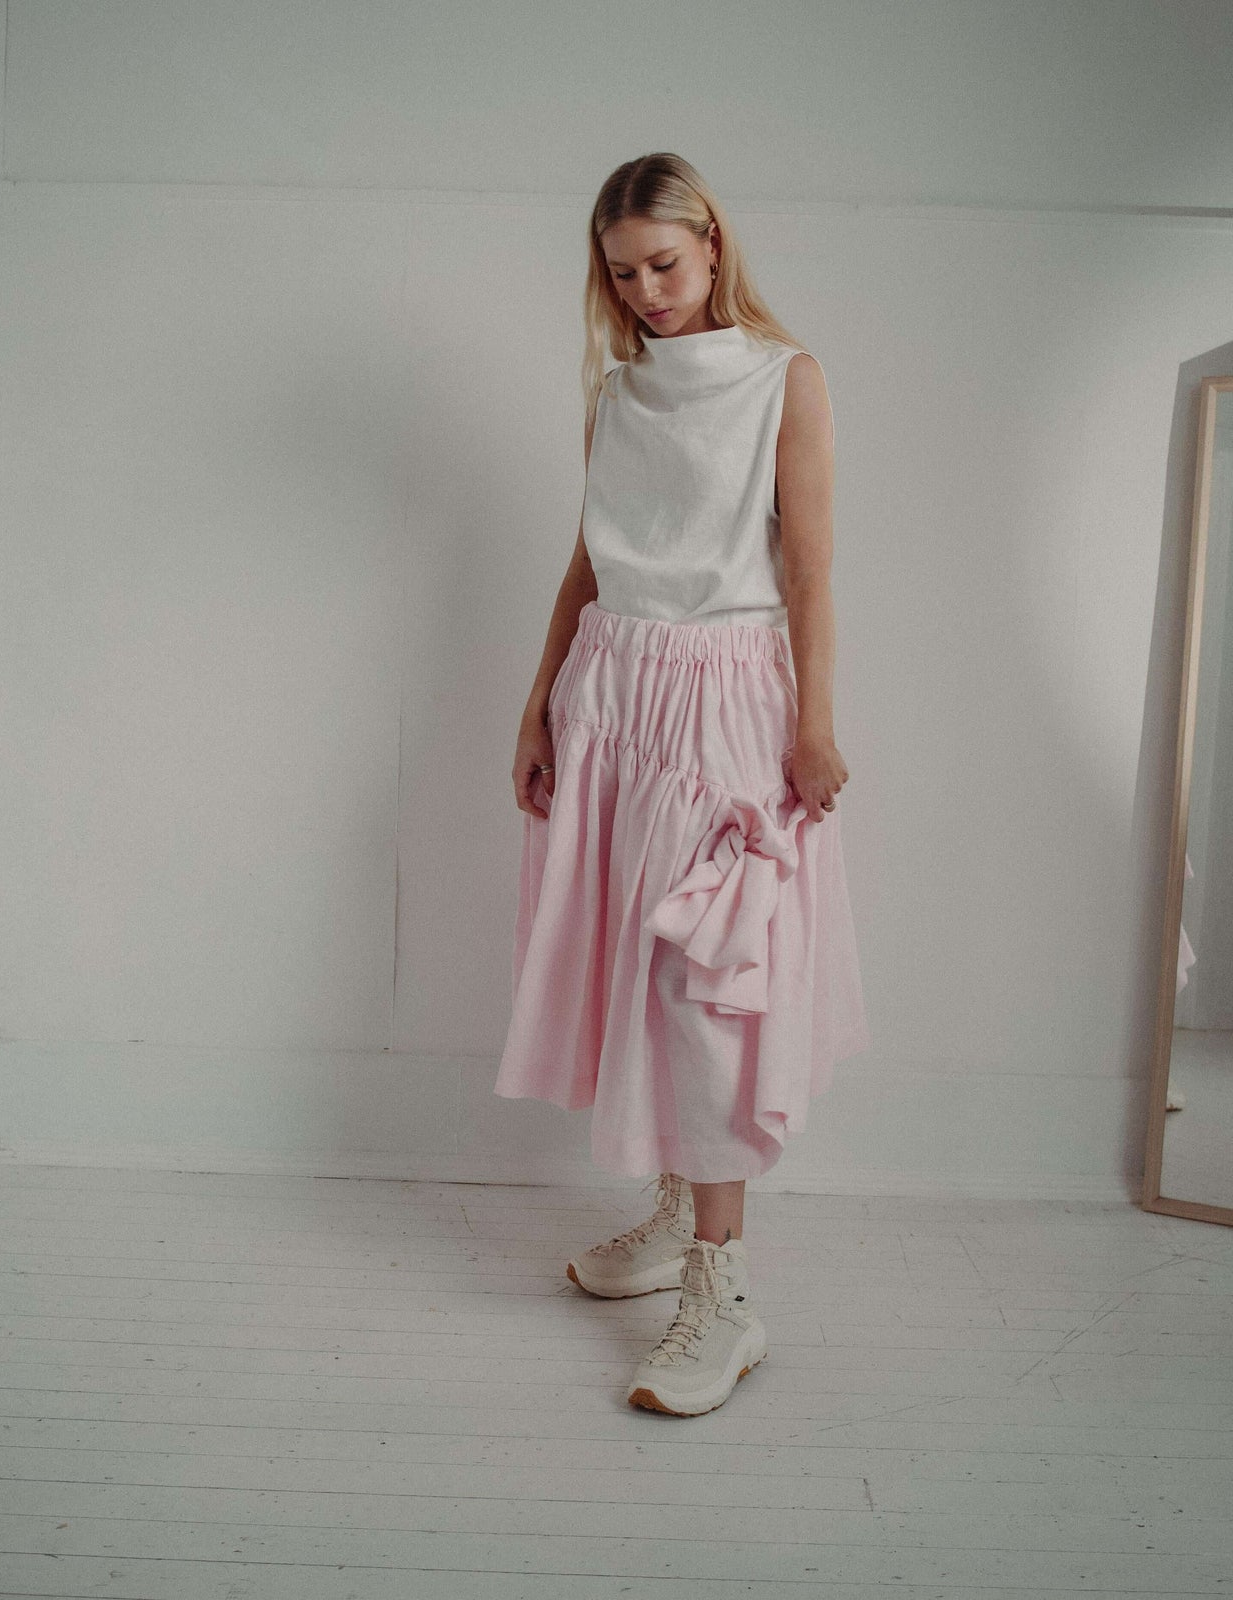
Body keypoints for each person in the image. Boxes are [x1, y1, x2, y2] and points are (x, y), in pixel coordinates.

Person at [493, 153, 870, 1417]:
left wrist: (814, 723)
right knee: (629, 961)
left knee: (706, 980)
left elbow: (809, 567)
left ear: (712, 242)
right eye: (621, 273)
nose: (646, 291)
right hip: (612, 692)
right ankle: (671, 1214)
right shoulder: (617, 394)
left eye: (663, 262)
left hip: (723, 700)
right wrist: (541, 702)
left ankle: (725, 1287)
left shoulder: (784, 379)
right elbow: (589, 561)